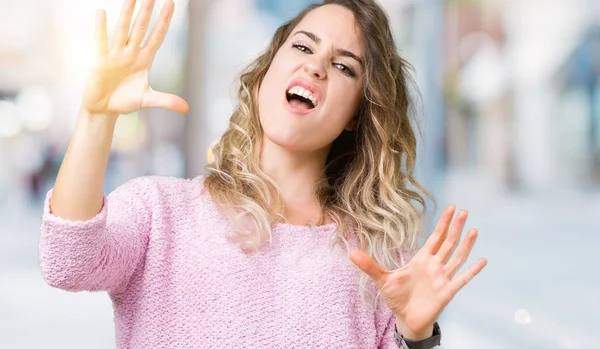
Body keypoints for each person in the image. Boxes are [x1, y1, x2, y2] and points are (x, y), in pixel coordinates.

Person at [39, 0, 488, 348]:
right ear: (264, 74)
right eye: (302, 46)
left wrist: (416, 335)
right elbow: (67, 262)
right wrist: (96, 117)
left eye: (343, 66)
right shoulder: (160, 212)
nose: (314, 66)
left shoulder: (378, 256)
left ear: (357, 113)